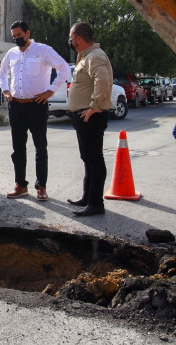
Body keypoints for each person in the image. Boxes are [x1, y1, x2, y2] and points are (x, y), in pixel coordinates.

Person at [0, 20, 69, 201]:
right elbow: (2, 72)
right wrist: (5, 90)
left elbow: (64, 68)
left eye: (19, 36)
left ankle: (41, 186)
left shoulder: (43, 50)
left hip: (36, 105)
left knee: (40, 147)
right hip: (16, 106)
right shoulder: (11, 53)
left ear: (28, 33)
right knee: (18, 148)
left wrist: (51, 91)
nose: (17, 40)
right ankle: (21, 185)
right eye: (14, 37)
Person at [66, 22, 113, 217]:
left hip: (90, 116)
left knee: (94, 159)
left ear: (78, 39)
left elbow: (102, 80)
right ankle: (87, 198)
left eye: (71, 37)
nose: (69, 41)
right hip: (82, 115)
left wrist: (94, 106)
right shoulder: (85, 56)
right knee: (88, 159)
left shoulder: (95, 56)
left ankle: (96, 203)